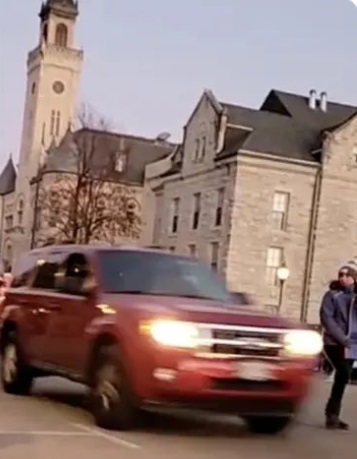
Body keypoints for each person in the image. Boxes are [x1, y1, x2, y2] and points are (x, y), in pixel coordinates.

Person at [320, 261, 357, 430]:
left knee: (343, 378)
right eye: (341, 275)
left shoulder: (355, 297)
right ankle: (331, 414)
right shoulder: (332, 295)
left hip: (353, 344)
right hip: (334, 342)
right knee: (342, 372)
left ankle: (333, 415)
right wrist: (343, 339)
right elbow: (327, 319)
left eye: (347, 275)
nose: (343, 278)